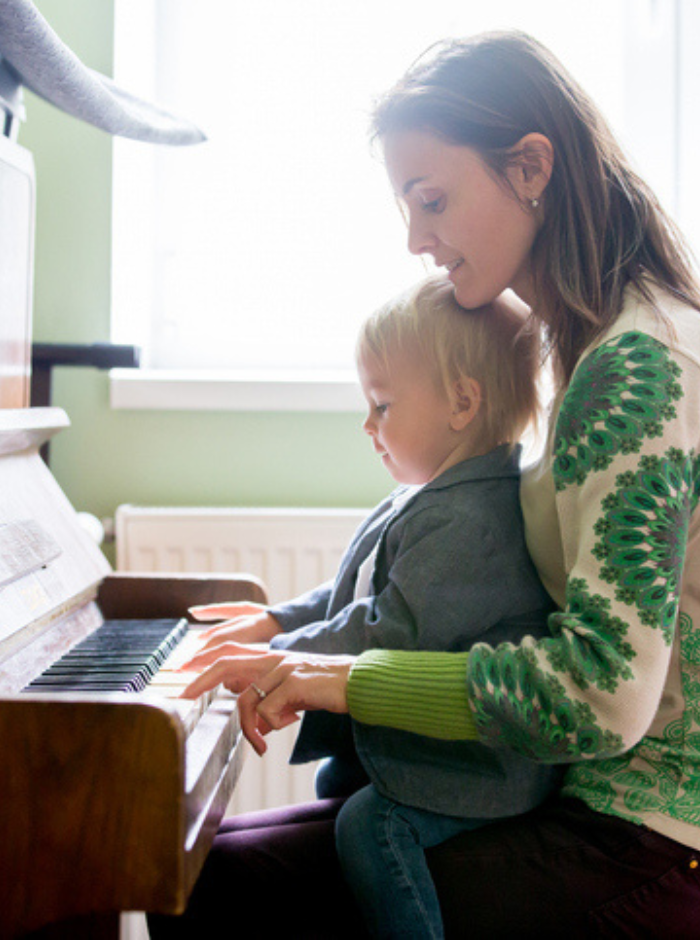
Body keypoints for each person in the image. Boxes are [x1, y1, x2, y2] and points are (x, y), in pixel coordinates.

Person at [149, 28, 700, 939]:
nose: (415, 238)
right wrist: (297, 637)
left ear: (531, 167)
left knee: (228, 893)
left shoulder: (635, 365)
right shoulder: (590, 341)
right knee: (206, 863)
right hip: (586, 802)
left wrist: (332, 677)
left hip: (647, 833)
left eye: (432, 199)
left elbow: (600, 695)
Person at [181, 275, 558, 939]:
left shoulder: (473, 517)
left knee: (369, 824)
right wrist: (272, 623)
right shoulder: (424, 495)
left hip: (480, 765)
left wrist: (274, 662)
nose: (367, 424)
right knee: (336, 777)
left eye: (382, 405)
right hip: (417, 745)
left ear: (462, 402)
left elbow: (390, 630)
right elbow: (350, 593)